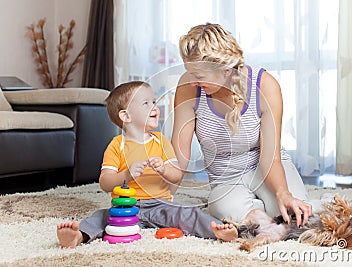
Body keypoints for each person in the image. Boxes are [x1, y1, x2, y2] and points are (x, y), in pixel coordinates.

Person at [56, 81, 235, 248]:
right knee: (99, 217)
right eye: (146, 103)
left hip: (160, 205)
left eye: (154, 102)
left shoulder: (161, 142)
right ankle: (78, 236)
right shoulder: (116, 145)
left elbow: (176, 175)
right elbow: (105, 182)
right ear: (126, 116)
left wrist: (164, 170)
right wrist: (126, 175)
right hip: (125, 208)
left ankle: (218, 231)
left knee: (188, 212)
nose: (154, 107)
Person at [172, 23, 312, 235]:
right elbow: (179, 155)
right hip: (226, 179)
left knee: (293, 216)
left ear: (226, 69)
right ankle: (256, 215)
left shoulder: (265, 86)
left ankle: (305, 205)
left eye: (199, 75)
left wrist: (283, 193)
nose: (193, 81)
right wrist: (159, 196)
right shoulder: (188, 88)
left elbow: (270, 158)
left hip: (265, 168)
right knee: (236, 215)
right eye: (189, 72)